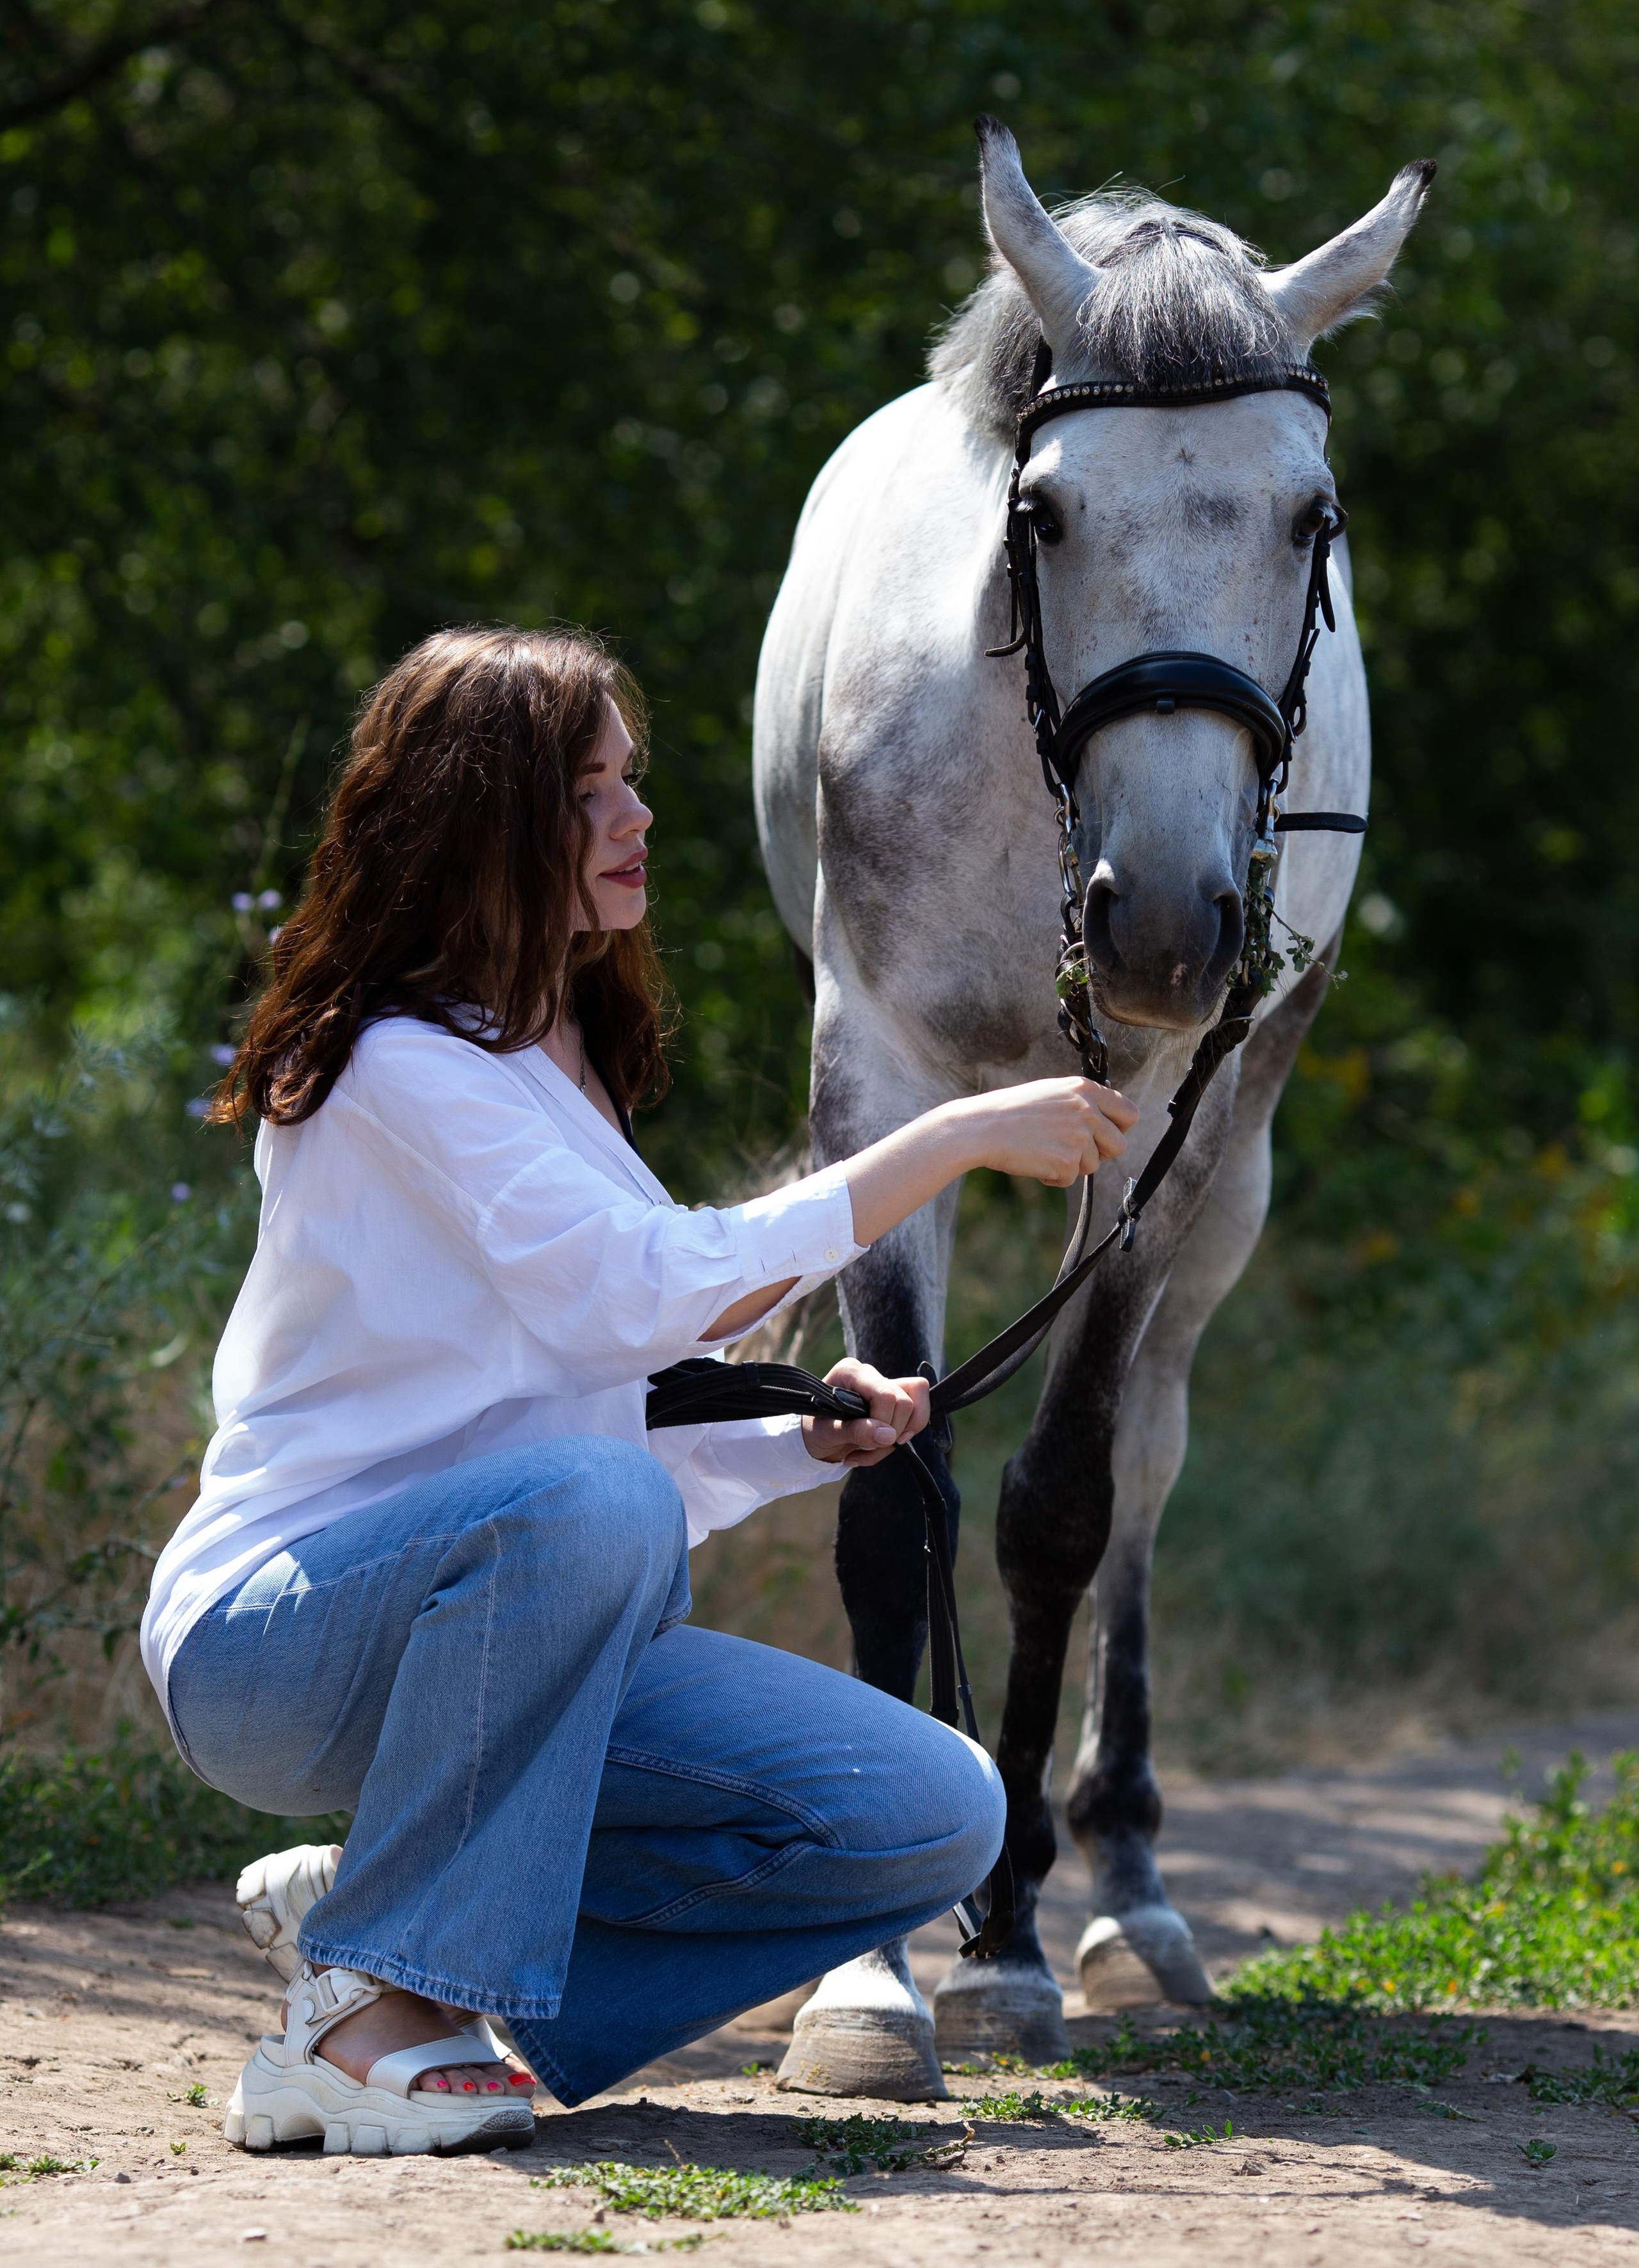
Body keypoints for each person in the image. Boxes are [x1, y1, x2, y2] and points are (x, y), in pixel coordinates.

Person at [140, 626, 1137, 2157]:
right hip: (275, 1644)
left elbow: (592, 1393)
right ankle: (368, 2029)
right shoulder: (398, 1064)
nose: (638, 816)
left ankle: (384, 1924)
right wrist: (940, 1137)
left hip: (514, 1630)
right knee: (595, 1509)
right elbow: (632, 1303)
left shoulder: (548, 1066)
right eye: (589, 788)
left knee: (929, 1812)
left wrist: (797, 1434)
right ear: (483, 823)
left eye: (633, 781)